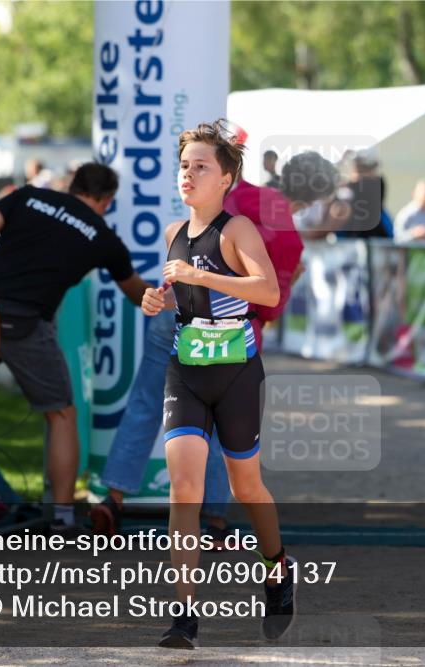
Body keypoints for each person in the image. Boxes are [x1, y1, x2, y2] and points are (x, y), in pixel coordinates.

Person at [141, 120, 294, 649]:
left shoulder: (237, 231)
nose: (188, 174)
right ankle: (184, 616)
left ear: (225, 178)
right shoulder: (171, 235)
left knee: (245, 487)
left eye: (201, 166)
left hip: (236, 375)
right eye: (184, 165)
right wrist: (155, 299)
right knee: (184, 489)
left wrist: (203, 277)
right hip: (185, 370)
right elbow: (177, 294)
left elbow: (268, 291)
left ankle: (276, 569)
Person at [92, 168, 305, 548]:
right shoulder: (279, 223)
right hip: (228, 332)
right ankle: (217, 519)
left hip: (177, 317)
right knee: (224, 424)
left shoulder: (235, 198)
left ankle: (115, 497)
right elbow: (273, 292)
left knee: (144, 401)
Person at [0, 163, 154, 535]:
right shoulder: (101, 235)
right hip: (27, 325)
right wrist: (173, 293)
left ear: (73, 185)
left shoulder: (27, 197)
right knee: (61, 414)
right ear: (106, 200)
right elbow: (137, 293)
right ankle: (61, 516)